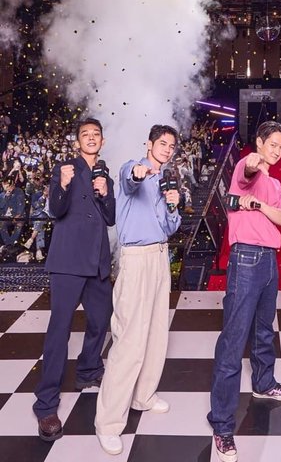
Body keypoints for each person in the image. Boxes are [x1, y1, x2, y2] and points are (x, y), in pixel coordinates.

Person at [207, 121, 281, 462]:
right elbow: (247, 172)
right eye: (272, 144)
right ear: (259, 142)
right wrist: (252, 163)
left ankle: (263, 382)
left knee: (263, 329)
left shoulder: (274, 183)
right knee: (233, 340)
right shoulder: (246, 168)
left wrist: (257, 206)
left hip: (269, 261)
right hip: (245, 258)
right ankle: (222, 424)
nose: (277, 151)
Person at [95, 124, 181, 455]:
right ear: (149, 144)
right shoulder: (132, 168)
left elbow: (170, 227)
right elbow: (129, 178)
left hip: (160, 257)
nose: (167, 149)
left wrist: (173, 205)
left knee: (157, 333)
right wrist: (139, 171)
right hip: (135, 259)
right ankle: (108, 423)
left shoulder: (166, 181)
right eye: (162, 143)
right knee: (129, 339)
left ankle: (143, 396)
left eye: (171, 146)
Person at [33, 118, 115, 442]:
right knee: (59, 331)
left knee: (101, 320)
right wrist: (63, 185)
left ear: (103, 141)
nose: (91, 138)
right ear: (77, 141)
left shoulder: (105, 174)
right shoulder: (64, 168)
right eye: (85, 134)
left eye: (96, 134)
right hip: (68, 262)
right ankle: (46, 404)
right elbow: (56, 210)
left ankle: (88, 370)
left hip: (97, 263)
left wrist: (105, 193)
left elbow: (110, 217)